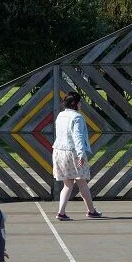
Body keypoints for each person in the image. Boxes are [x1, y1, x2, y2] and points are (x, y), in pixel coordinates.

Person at [52, 91, 102, 220]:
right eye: (80, 102)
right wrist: (81, 154)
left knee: (68, 184)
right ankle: (91, 211)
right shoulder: (77, 117)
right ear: (75, 103)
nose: (81, 105)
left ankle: (61, 212)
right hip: (73, 152)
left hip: (59, 151)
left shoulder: (60, 115)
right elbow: (78, 137)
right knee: (82, 182)